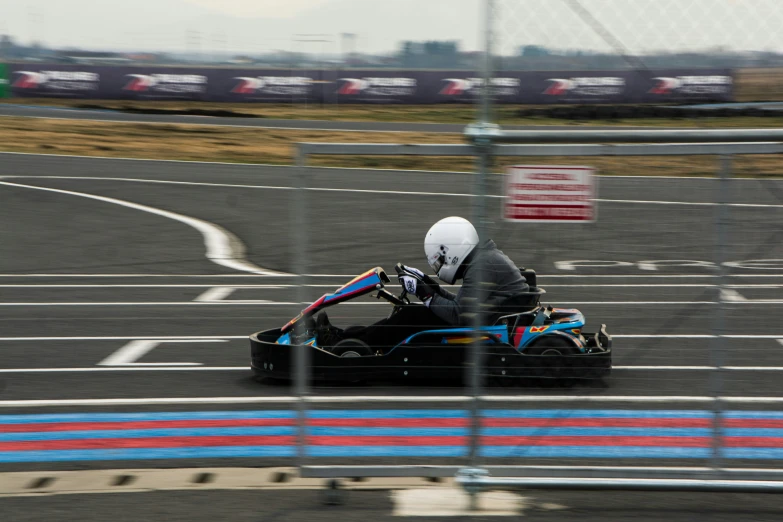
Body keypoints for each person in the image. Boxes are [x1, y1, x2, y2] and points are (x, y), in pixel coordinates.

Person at [316, 216, 529, 348]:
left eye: (439, 260)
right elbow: (463, 306)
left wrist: (425, 293)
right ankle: (344, 337)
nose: (439, 266)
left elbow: (459, 316)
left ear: (450, 250)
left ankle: (348, 345)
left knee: (411, 315)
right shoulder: (484, 259)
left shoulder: (483, 265)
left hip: (489, 327)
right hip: (489, 318)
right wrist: (429, 285)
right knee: (407, 313)